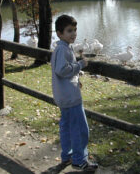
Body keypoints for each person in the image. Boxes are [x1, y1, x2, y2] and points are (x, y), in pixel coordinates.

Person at [51, 14, 98, 171]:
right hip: (70, 98)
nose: (73, 34)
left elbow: (65, 73)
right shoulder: (62, 49)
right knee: (80, 129)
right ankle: (79, 160)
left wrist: (76, 79)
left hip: (64, 95)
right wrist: (80, 65)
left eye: (75, 30)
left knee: (67, 127)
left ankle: (68, 155)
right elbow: (62, 70)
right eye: (69, 31)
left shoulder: (63, 48)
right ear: (59, 33)